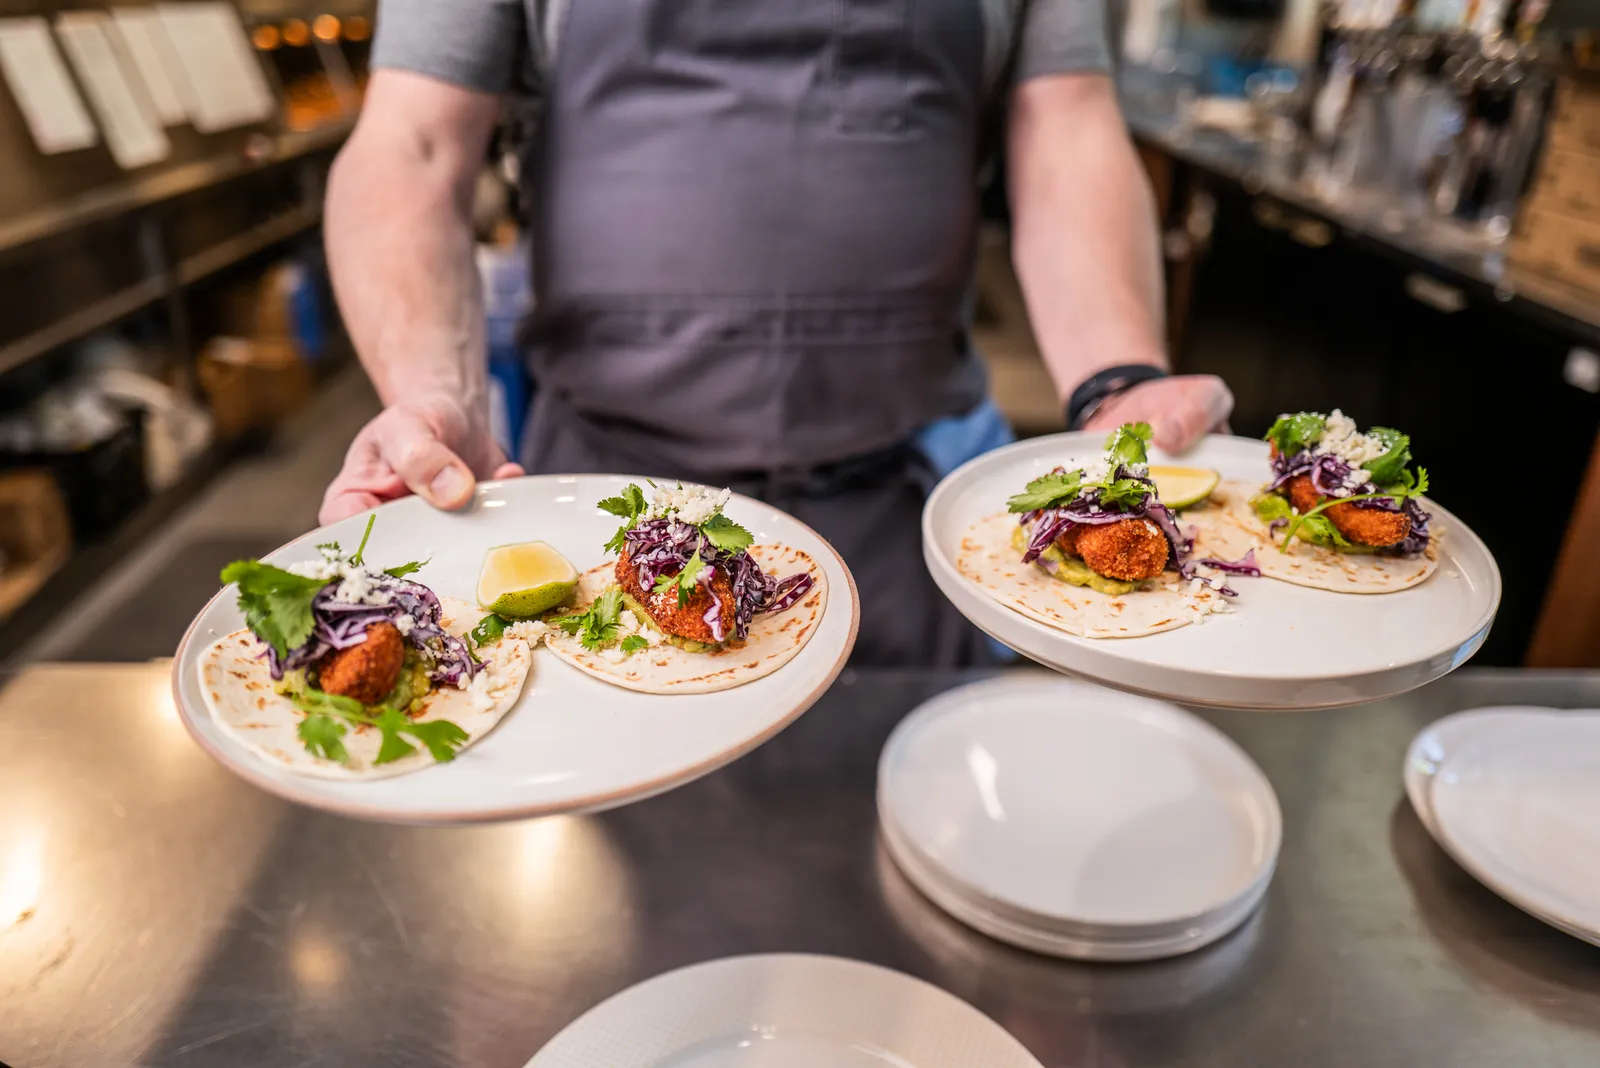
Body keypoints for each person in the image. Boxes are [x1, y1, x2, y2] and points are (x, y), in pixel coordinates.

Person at [318, 0, 1233, 665]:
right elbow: (413, 141)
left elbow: (1066, 127)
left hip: (907, 505)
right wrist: (435, 391)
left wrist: (1115, 378)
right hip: (603, 512)